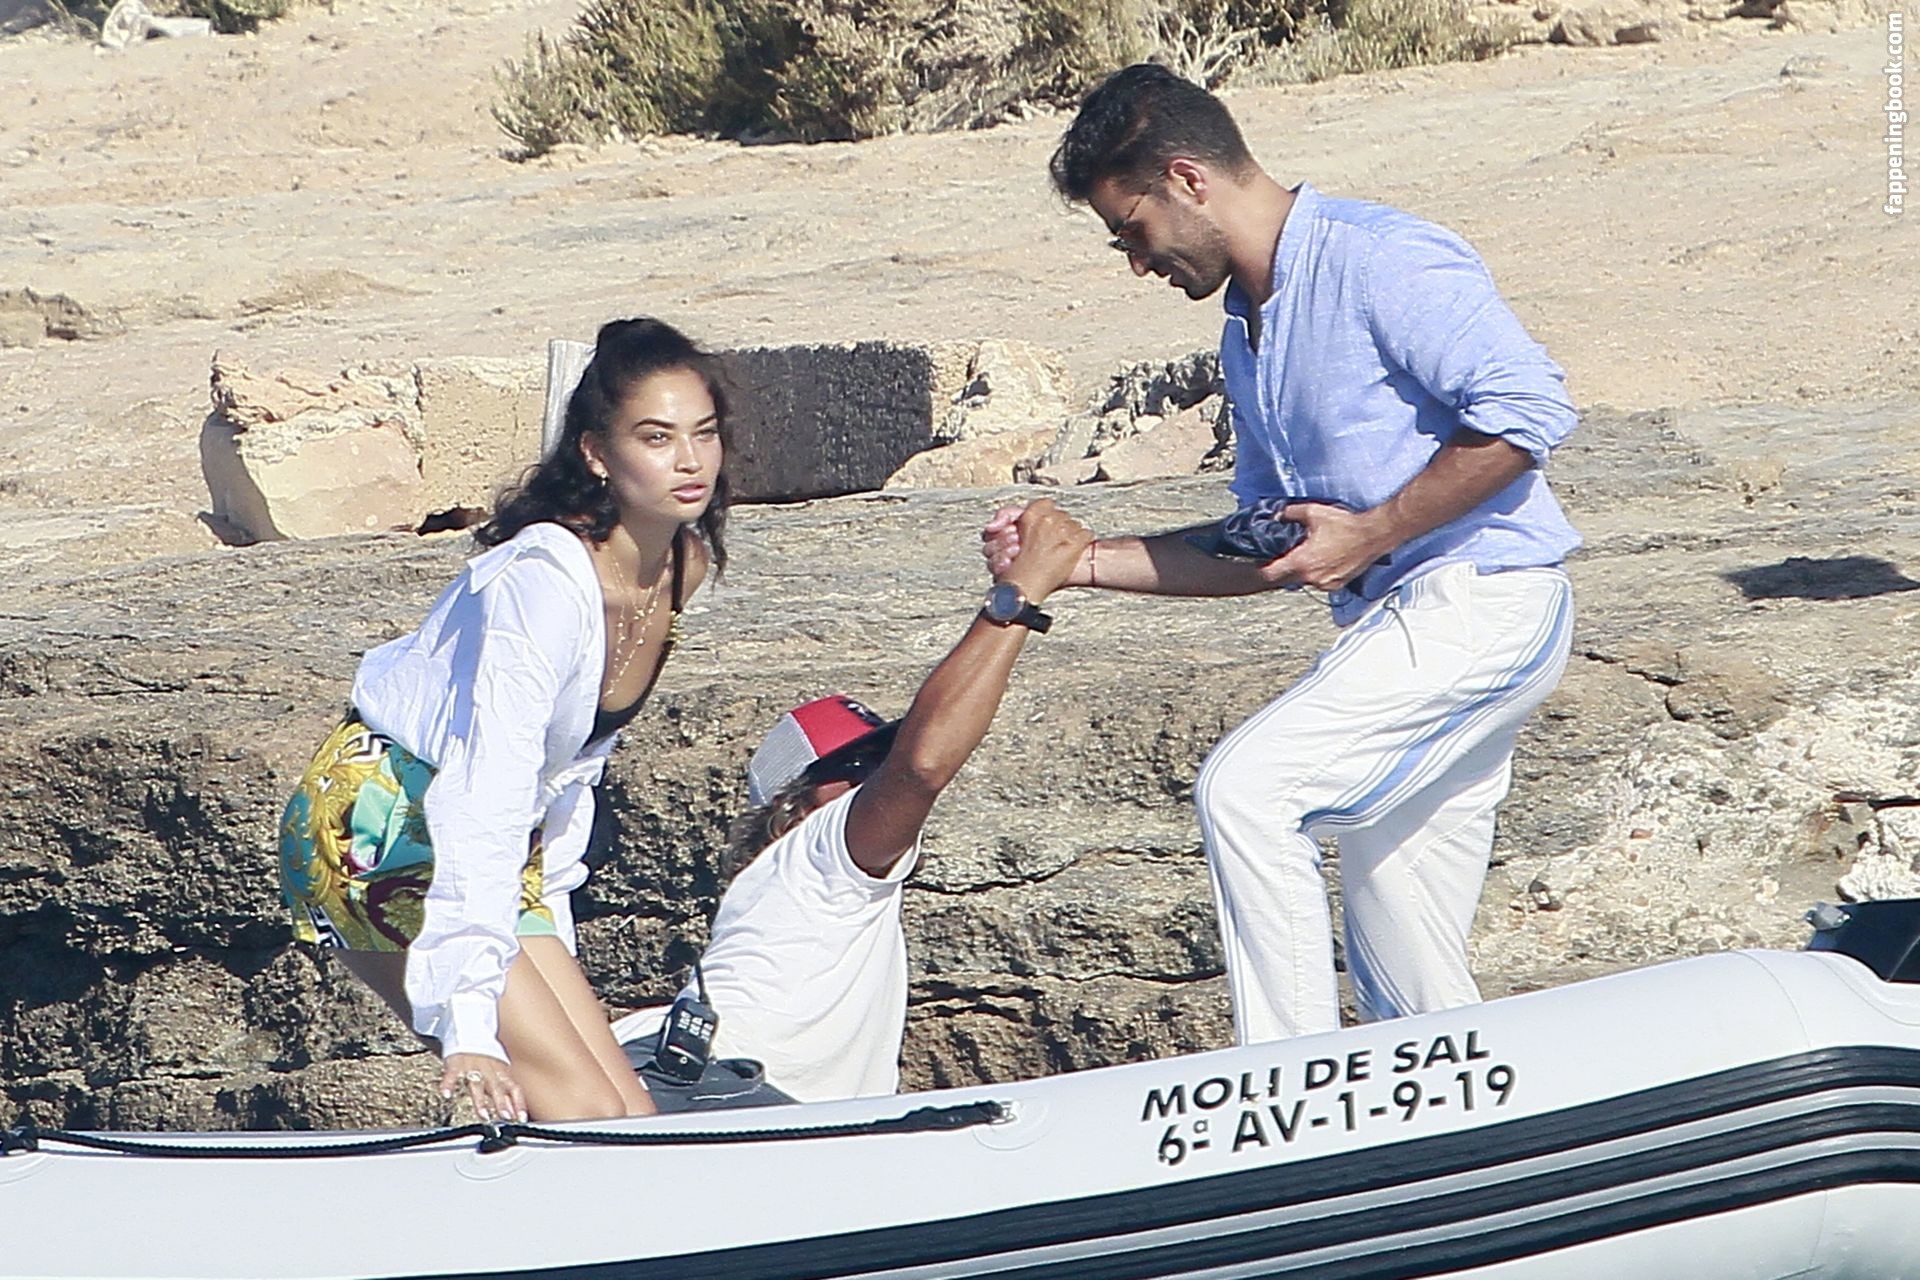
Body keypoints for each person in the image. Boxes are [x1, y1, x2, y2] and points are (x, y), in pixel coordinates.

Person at [985, 64, 1580, 1045]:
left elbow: (1529, 408)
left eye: (1130, 229)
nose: (1135, 262)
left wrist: (1376, 530)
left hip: (1482, 603)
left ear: (1186, 179)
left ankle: (1286, 1078)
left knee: (1247, 792)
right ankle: (1443, 1116)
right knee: (1407, 950)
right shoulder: (1246, 332)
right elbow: (1272, 544)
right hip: (1399, 627)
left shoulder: (1379, 256)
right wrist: (1080, 559)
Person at [279, 317, 729, 1122]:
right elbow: (484, 783)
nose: (689, 460)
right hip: (383, 822)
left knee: (631, 1114)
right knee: (585, 1113)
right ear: (596, 453)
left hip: (498, 840)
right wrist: (468, 1022)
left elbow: (573, 765)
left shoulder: (681, 566)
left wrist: (550, 915)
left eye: (705, 433)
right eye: (657, 438)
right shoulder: (541, 582)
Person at [614, 499, 1093, 1106]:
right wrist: (1018, 596)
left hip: (715, 1093)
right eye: (851, 768)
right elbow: (920, 767)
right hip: (719, 1093)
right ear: (790, 810)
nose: (874, 781)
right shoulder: (814, 854)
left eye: (878, 761)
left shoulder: (801, 894)